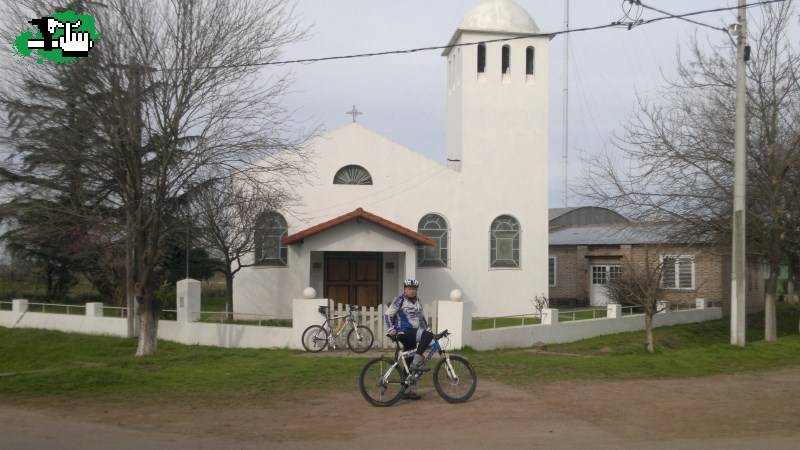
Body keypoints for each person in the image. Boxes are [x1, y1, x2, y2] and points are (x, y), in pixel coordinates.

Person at [384, 278, 435, 395]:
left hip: (412, 333)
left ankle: (405, 392)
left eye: (414, 289)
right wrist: (391, 329)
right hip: (403, 332)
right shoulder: (400, 300)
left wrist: (429, 332)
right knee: (426, 338)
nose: (412, 291)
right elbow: (387, 315)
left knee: (408, 364)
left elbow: (421, 319)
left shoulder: (418, 301)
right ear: (405, 289)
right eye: (409, 288)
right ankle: (416, 364)